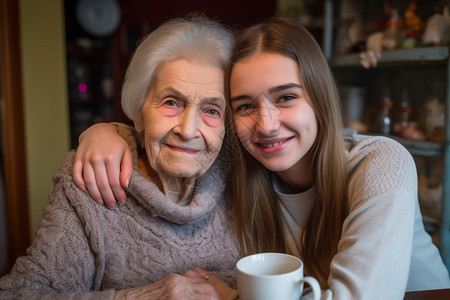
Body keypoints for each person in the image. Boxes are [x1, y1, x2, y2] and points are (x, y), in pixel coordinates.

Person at [72, 17, 450, 299]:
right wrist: (109, 131)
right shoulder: (245, 170)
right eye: (245, 106)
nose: (266, 125)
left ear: (318, 98)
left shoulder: (382, 163)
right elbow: (175, 131)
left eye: (286, 97)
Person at [0, 15, 240, 300]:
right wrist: (141, 297)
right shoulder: (91, 177)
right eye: (171, 103)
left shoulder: (243, 171)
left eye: (212, 110)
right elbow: (19, 295)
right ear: (138, 112)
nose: (188, 130)